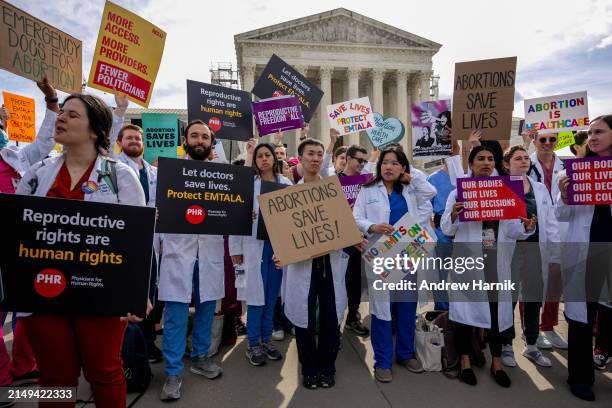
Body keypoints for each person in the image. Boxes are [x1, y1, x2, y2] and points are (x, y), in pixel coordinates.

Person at [16, 93, 147, 407]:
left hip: (100, 295)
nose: (61, 118)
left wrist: (134, 293)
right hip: (44, 292)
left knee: (104, 372)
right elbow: (18, 232)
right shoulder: (37, 174)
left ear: (95, 130)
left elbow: (135, 242)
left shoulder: (119, 176)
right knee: (54, 379)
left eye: (72, 115)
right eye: (61, 112)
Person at [441, 144, 537, 388]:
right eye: (480, 158)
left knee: (497, 313)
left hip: (497, 260)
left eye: (490, 159)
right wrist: (453, 214)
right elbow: (446, 229)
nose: (486, 163)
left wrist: (527, 227)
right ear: (471, 163)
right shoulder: (459, 193)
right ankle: (464, 361)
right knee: (464, 315)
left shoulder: (506, 190)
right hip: (469, 262)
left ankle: (496, 362)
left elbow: (515, 230)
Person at [273, 138, 351, 390]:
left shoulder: (333, 191)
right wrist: (280, 254)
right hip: (302, 267)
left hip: (329, 265)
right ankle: (309, 368)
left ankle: (328, 366)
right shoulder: (288, 196)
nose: (315, 158)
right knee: (304, 320)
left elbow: (344, 226)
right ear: (301, 158)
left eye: (319, 154)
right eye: (310, 154)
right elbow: (283, 235)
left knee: (330, 318)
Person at [353, 146, 436, 382]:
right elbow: (356, 217)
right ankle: (382, 361)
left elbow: (430, 193)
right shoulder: (367, 190)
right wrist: (372, 226)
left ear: (402, 168)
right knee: (382, 309)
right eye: (384, 162)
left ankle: (406, 354)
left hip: (407, 253)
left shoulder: (411, 190)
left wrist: (413, 177)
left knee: (407, 306)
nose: (388, 166)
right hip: (380, 255)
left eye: (394, 163)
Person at [157, 120, 225, 402]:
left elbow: (232, 210)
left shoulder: (223, 176)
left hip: (208, 253)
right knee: (175, 314)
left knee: (207, 308)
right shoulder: (168, 173)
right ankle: (172, 372)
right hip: (179, 252)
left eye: (204, 137)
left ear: (211, 143)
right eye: (194, 136)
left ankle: (200, 357)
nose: (199, 140)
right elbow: (155, 206)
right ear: (185, 140)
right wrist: (157, 216)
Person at [0, 79, 58, 398]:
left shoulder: (16, 157)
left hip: (21, 246)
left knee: (27, 310)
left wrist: (50, 99)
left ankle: (24, 367)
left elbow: (45, 141)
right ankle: (4, 380)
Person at [556, 115, 612, 401]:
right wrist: (565, 197)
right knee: (581, 317)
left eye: (599, 132)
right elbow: (560, 215)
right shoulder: (576, 172)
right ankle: (580, 377)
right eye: (589, 133)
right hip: (586, 252)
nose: (592, 137)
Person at [229, 141, 293, 366]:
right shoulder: (249, 184)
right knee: (256, 299)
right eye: (260, 156)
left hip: (277, 249)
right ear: (255, 161)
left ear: (274, 159)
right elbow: (235, 217)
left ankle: (267, 339)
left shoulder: (285, 183)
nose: (264, 159)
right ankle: (253, 344)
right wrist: (235, 249)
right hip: (254, 247)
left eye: (268, 155)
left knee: (272, 296)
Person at [499, 145, 561, 368]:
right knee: (509, 298)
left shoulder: (539, 188)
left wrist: (555, 252)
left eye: (526, 158)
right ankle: (506, 345)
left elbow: (551, 220)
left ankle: (532, 344)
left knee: (533, 299)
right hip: (511, 251)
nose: (524, 161)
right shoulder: (500, 187)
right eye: (518, 158)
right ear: (507, 165)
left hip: (535, 250)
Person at [522, 130, 569, 350]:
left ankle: (548, 327)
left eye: (552, 140)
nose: (548, 143)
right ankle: (530, 331)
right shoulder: (525, 164)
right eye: (543, 139)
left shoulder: (566, 168)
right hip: (532, 229)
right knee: (530, 282)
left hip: (559, 227)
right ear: (534, 141)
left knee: (554, 281)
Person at [338, 145, 371, 336]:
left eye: (364, 162)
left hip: (364, 237)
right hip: (343, 239)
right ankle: (336, 321)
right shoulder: (334, 181)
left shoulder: (367, 182)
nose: (362, 164)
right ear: (348, 159)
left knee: (357, 281)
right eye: (359, 160)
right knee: (342, 280)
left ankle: (353, 315)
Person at [427, 162, 454, 311]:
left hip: (464, 230)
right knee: (440, 273)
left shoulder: (466, 175)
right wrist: (433, 230)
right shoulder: (433, 178)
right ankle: (442, 309)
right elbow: (424, 205)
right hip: (441, 232)